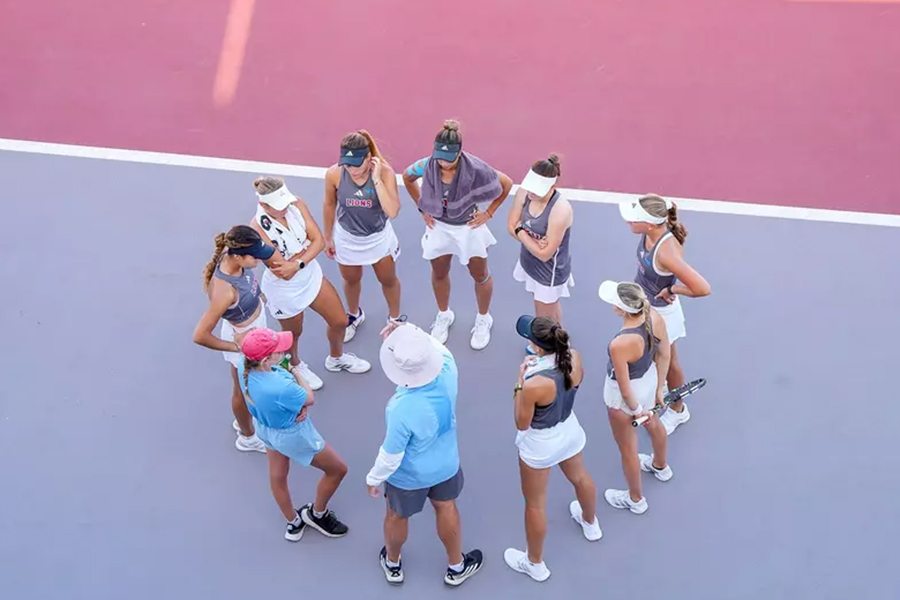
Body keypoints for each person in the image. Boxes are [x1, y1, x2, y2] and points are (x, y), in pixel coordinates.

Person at [365, 318, 483, 587]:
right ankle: (456, 566)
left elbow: (391, 455)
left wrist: (373, 478)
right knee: (446, 507)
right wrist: (409, 332)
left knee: (396, 515)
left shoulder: (399, 408)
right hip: (446, 465)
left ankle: (393, 563)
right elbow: (433, 347)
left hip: (408, 476)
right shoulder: (449, 368)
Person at [504, 315, 601, 582]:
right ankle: (590, 523)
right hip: (569, 431)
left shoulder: (534, 384)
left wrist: (520, 382)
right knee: (580, 477)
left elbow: (521, 423)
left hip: (540, 444)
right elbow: (575, 383)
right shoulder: (575, 358)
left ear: (535, 347)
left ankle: (534, 563)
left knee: (534, 504)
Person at [401, 119, 513, 350]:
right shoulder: (427, 164)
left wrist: (489, 213)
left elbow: (506, 183)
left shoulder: (477, 168)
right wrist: (422, 207)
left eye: (448, 159)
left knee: (480, 274)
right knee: (439, 272)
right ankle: (444, 315)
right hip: (439, 227)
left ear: (460, 153)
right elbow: (406, 176)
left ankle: (483, 318)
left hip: (468, 229)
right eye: (439, 157)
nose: (443, 163)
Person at [249, 176, 371, 386]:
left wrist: (297, 262)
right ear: (263, 205)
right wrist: (307, 250)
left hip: (310, 277)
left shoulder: (296, 203)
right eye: (279, 206)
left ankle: (336, 358)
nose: (286, 207)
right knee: (293, 334)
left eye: (286, 201)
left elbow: (319, 241)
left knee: (339, 321)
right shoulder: (257, 227)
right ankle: (295, 365)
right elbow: (282, 271)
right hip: (284, 291)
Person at [238, 327, 350, 540]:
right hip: (293, 435)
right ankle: (317, 514)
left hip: (266, 429)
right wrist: (296, 372)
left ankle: (293, 522)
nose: (283, 351)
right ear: (265, 360)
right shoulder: (280, 386)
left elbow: (286, 401)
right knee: (337, 470)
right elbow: (309, 397)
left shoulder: (245, 371)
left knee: (278, 476)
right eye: (277, 350)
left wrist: (296, 405)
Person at [618, 194, 710, 435]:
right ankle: (656, 391)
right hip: (645, 307)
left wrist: (672, 288)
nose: (629, 223)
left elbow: (703, 288)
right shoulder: (649, 232)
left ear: (649, 224)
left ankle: (678, 409)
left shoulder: (667, 253)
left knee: (669, 364)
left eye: (633, 220)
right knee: (651, 357)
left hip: (662, 315)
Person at [192, 225, 273, 453]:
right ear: (238, 256)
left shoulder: (238, 263)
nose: (258, 261)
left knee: (251, 385)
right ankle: (247, 437)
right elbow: (200, 335)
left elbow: (248, 285)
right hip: (242, 338)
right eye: (254, 257)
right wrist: (237, 346)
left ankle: (244, 420)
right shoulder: (224, 292)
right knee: (242, 389)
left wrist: (259, 297)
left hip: (255, 327)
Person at [598, 280, 673, 515]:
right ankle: (660, 466)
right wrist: (660, 389)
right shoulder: (655, 317)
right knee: (653, 421)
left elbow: (624, 387)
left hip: (626, 401)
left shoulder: (620, 344)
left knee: (628, 448)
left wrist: (636, 410)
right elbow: (664, 354)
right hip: (649, 383)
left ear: (621, 310)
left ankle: (635, 499)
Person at [323, 130, 404, 342]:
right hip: (347, 238)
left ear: (369, 158)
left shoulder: (384, 173)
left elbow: (392, 211)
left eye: (356, 164)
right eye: (347, 165)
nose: (351, 170)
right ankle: (354, 314)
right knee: (351, 279)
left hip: (378, 238)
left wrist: (376, 179)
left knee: (388, 280)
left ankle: (395, 320)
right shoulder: (334, 174)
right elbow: (329, 204)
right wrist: (327, 237)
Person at [508, 155, 574, 354]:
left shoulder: (560, 210)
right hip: (529, 261)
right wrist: (533, 241)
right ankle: (560, 336)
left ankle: (551, 351)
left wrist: (522, 232)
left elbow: (545, 255)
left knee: (542, 317)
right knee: (550, 307)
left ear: (552, 188)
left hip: (549, 272)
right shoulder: (524, 193)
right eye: (530, 187)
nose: (531, 194)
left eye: (538, 190)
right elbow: (511, 226)